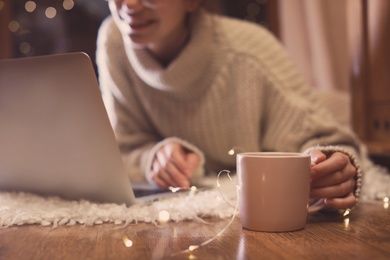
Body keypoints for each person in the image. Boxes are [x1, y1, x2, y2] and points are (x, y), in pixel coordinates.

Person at [96, 0, 362, 210]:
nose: (129, 4)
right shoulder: (114, 39)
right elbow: (122, 148)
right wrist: (152, 157)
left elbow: (328, 141)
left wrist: (334, 164)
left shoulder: (251, 51)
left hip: (347, 115)